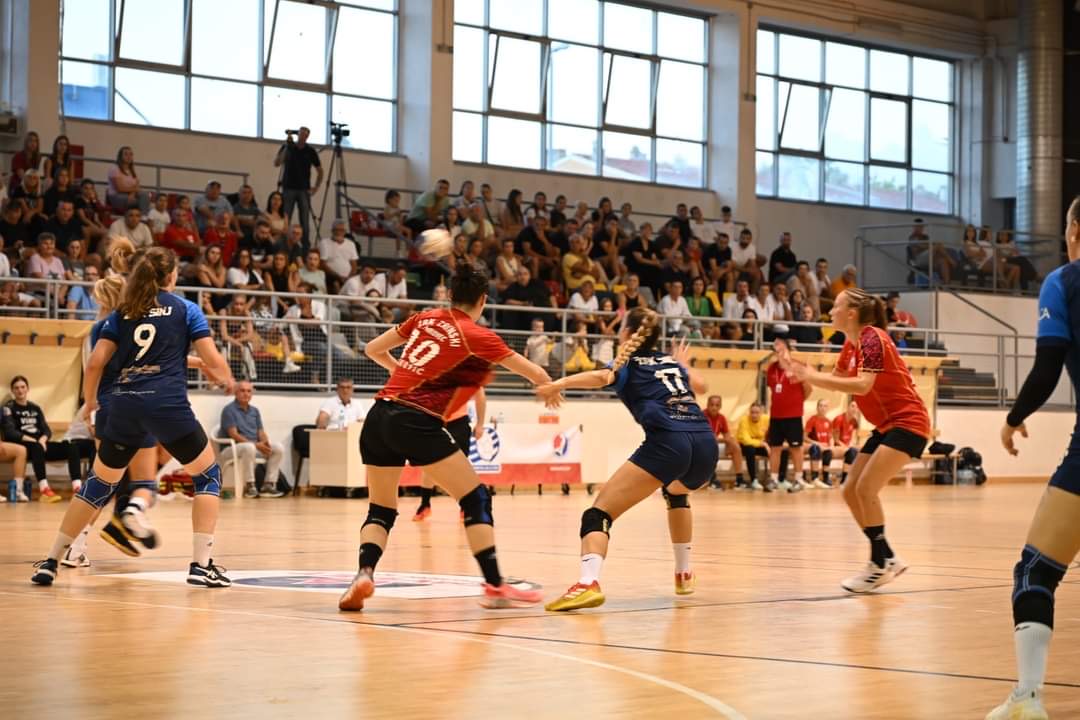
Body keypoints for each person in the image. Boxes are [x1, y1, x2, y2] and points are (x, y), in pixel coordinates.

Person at [338, 264, 550, 611]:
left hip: (379, 415)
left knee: (381, 509)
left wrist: (405, 373)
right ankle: (495, 586)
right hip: (416, 419)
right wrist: (553, 387)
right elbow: (536, 373)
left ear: (450, 295)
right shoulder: (478, 335)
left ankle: (364, 573)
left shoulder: (424, 318)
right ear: (483, 300)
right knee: (476, 498)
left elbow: (373, 349)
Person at [32, 246, 235, 588]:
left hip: (123, 405)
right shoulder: (186, 309)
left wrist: (91, 402)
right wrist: (225, 378)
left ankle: (51, 561)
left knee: (98, 485)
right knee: (207, 476)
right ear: (171, 276)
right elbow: (214, 360)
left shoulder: (123, 312)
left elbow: (95, 363)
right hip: (166, 406)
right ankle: (201, 566)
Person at [539, 310, 716, 611]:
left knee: (598, 514)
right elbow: (702, 387)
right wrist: (683, 365)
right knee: (676, 492)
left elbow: (601, 377)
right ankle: (683, 573)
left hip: (669, 443)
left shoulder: (626, 364)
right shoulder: (669, 361)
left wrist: (558, 384)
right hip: (705, 445)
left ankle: (587, 583)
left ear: (626, 333)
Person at [985, 197, 1080, 720]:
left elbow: (1047, 369)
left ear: (1074, 231)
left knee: (1036, 571)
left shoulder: (1064, 282)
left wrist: (1013, 417)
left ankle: (1028, 698)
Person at [780, 286, 931, 593]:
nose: (830, 311)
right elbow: (838, 383)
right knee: (850, 490)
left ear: (851, 313)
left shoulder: (873, 337)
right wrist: (801, 374)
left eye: (836, 306)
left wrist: (811, 375)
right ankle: (887, 555)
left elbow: (862, 385)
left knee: (865, 489)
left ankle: (879, 564)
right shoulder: (850, 346)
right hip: (887, 426)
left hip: (908, 422)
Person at [1, 375, 79, 502]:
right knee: (37, 447)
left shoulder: (35, 408)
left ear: (27, 389)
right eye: (16, 388)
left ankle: (77, 488)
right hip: (24, 445)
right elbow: (10, 432)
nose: (20, 390)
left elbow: (46, 429)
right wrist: (32, 440)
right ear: (12, 391)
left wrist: (43, 439)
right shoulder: (8, 408)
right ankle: (44, 490)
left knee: (71, 447)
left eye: (22, 387)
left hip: (40, 444)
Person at [413, 389, 486, 521]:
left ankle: (466, 506)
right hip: (434, 421)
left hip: (458, 422)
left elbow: (480, 395)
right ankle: (425, 504)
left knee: (461, 467)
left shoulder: (468, 376)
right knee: (429, 465)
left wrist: (480, 424)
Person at [220, 382, 286, 499]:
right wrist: (256, 445)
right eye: (242, 390)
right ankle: (250, 486)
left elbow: (261, 432)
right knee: (248, 447)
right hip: (231, 448)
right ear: (236, 392)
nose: (246, 394)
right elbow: (234, 434)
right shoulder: (229, 410)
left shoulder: (255, 411)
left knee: (278, 448)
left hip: (253, 447)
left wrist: (265, 443)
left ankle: (268, 485)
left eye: (249, 391)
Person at [765, 338, 810, 492]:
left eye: (781, 349)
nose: (779, 352)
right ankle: (773, 479)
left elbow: (808, 389)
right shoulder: (771, 368)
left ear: (789, 350)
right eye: (776, 350)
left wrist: (797, 403)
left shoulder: (797, 366)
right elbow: (772, 388)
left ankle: (798, 479)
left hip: (793, 416)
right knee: (775, 448)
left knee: (796, 448)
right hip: (776, 416)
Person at [274, 127, 323, 247]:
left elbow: (320, 170)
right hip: (288, 188)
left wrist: (316, 187)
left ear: (307, 136)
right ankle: (284, 245)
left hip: (304, 190)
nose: (302, 137)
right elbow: (277, 163)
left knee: (304, 221)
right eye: (300, 134)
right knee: (286, 218)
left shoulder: (310, 151)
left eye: (305, 135)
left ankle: (305, 247)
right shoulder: (288, 147)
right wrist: (287, 146)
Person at [703, 395, 745, 489]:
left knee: (735, 447)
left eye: (717, 405)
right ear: (707, 405)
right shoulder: (701, 416)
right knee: (710, 445)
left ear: (720, 406)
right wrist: (723, 440)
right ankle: (712, 479)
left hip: (715, 444)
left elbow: (727, 436)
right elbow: (706, 437)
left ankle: (739, 479)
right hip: (702, 446)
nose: (714, 408)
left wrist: (729, 443)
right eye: (712, 405)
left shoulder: (721, 418)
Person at [106, 146, 151, 214]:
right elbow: (120, 188)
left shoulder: (131, 170)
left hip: (129, 195)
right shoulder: (114, 169)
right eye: (126, 154)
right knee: (141, 202)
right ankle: (143, 217)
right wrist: (133, 191)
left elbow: (137, 185)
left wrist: (132, 194)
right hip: (116, 196)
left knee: (145, 195)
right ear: (120, 156)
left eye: (131, 154)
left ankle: (143, 217)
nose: (129, 156)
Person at [805, 399, 838, 488]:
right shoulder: (812, 420)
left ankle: (825, 478)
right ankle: (814, 478)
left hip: (825, 447)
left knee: (828, 452)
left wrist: (831, 445)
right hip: (814, 446)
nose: (823, 408)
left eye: (825, 406)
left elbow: (830, 437)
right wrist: (818, 443)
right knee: (816, 448)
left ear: (827, 408)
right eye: (821, 406)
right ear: (817, 408)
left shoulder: (828, 422)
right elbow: (804, 437)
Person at [831, 403, 862, 485]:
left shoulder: (854, 421)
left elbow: (854, 437)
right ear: (847, 407)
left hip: (847, 446)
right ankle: (844, 479)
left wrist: (854, 445)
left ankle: (856, 478)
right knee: (851, 452)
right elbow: (836, 440)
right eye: (852, 406)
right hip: (837, 446)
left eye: (857, 407)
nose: (854, 409)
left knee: (864, 451)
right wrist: (847, 446)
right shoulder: (839, 419)